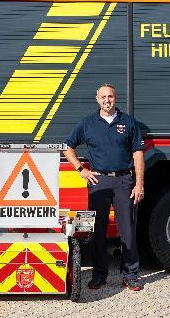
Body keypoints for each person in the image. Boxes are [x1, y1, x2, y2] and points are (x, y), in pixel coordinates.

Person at [63, 83, 146, 291]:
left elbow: (138, 154)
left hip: (124, 181)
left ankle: (130, 275)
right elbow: (67, 147)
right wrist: (81, 170)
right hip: (99, 182)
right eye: (103, 97)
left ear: (115, 98)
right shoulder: (88, 123)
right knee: (98, 231)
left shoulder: (128, 122)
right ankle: (100, 275)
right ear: (97, 99)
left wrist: (139, 183)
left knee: (127, 230)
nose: (107, 100)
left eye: (110, 96)